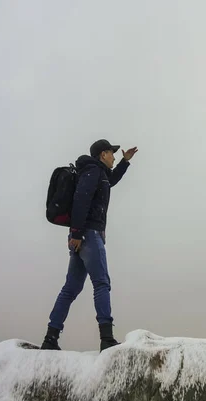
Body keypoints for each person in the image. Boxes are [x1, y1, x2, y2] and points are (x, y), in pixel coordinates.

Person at [41, 139, 138, 351]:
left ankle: (51, 338)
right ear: (102, 154)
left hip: (81, 236)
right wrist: (76, 233)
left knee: (71, 288)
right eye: (111, 153)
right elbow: (81, 199)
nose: (113, 156)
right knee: (101, 283)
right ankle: (107, 339)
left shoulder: (98, 173)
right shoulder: (93, 172)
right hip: (88, 235)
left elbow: (110, 181)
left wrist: (125, 162)